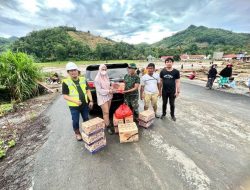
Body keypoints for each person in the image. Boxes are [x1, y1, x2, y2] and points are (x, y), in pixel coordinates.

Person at [62, 62, 94, 141]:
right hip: (74, 107)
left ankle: (87, 131)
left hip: (84, 105)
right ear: (68, 72)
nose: (73, 72)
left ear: (77, 71)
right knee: (75, 120)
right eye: (71, 71)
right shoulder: (66, 82)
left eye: (74, 70)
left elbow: (88, 91)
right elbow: (65, 96)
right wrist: (75, 101)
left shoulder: (83, 79)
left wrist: (91, 101)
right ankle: (77, 133)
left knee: (86, 118)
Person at [94, 64, 115, 135]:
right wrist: (109, 91)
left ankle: (107, 122)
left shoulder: (106, 76)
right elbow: (99, 90)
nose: (104, 71)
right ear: (99, 70)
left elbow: (108, 84)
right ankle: (108, 126)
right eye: (102, 69)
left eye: (105, 69)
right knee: (106, 112)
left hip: (108, 96)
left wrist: (111, 86)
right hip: (102, 97)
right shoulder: (97, 79)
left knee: (106, 112)